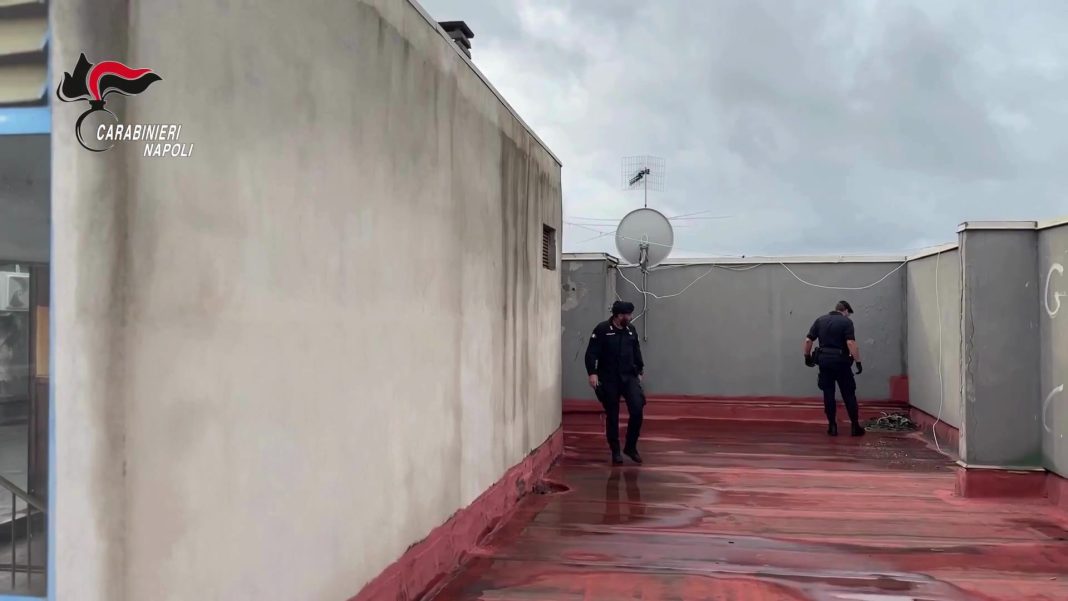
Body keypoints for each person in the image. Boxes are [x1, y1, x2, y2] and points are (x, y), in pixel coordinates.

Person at [584, 300, 646, 465]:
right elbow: (591, 353)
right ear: (619, 316)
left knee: (637, 408)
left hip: (629, 376)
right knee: (612, 414)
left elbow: (636, 350)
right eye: (627, 315)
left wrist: (640, 370)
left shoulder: (631, 330)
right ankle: (615, 451)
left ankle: (630, 447)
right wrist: (592, 373)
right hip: (609, 377)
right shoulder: (602, 330)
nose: (630, 318)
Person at [803, 300, 865, 437]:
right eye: (848, 314)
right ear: (845, 311)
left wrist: (807, 356)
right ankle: (855, 426)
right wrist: (858, 361)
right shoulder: (846, 322)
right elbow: (850, 342)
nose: (848, 316)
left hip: (824, 362)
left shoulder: (820, 320)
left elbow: (808, 340)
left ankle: (832, 426)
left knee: (828, 393)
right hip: (842, 362)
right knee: (848, 393)